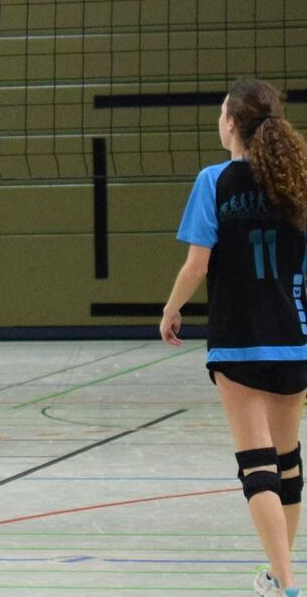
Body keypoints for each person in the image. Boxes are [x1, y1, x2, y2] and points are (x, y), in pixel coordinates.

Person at [160, 78, 307, 597]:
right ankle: (278, 574)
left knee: (256, 465)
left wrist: (172, 309)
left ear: (231, 125)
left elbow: (196, 264)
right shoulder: (298, 182)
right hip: (295, 338)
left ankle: (286, 583)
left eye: (222, 114)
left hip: (237, 339)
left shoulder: (214, 180)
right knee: (288, 462)